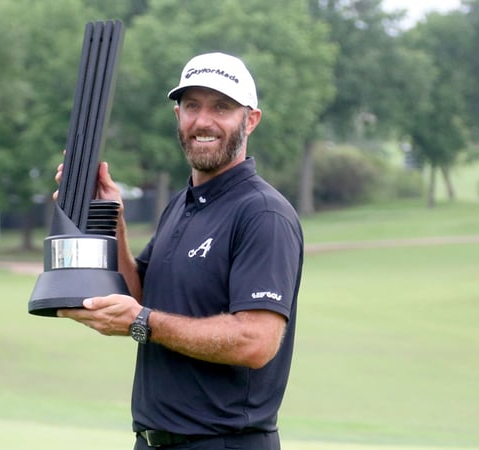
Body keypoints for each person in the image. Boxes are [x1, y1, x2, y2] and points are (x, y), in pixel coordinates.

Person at [55, 52, 304, 449]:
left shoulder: (263, 213)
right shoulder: (183, 204)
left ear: (250, 120)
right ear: (178, 116)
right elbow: (138, 298)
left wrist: (143, 323)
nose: (203, 121)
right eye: (192, 106)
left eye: (221, 107)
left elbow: (257, 341)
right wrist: (112, 218)